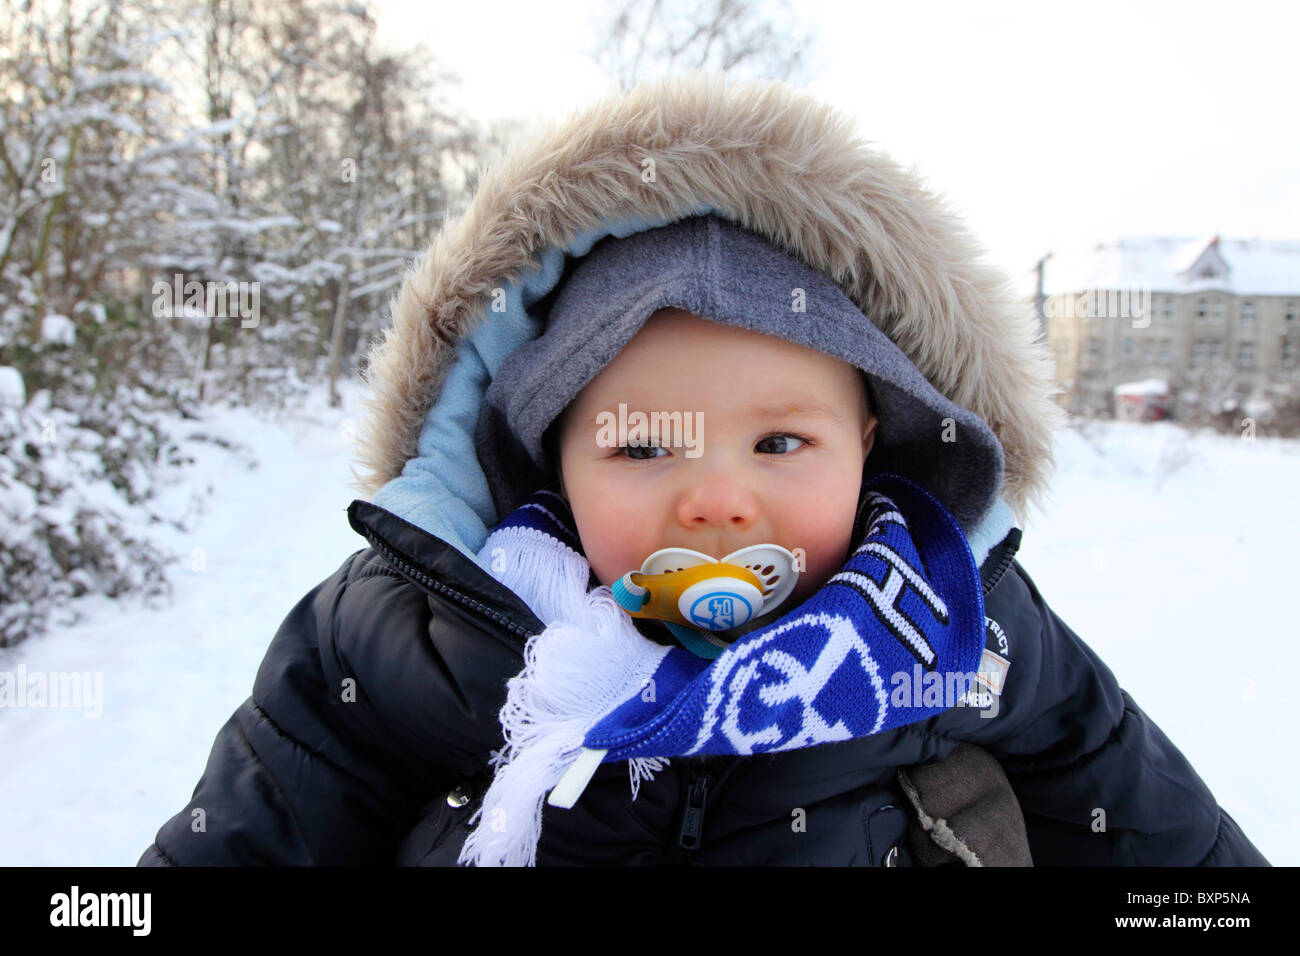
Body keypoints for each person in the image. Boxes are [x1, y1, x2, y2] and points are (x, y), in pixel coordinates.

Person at [138, 73, 1268, 867]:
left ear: (869, 444)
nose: (717, 497)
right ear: (552, 458)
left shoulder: (952, 623)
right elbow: (251, 827)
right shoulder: (411, 631)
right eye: (638, 445)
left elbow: (1137, 805)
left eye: (780, 443)